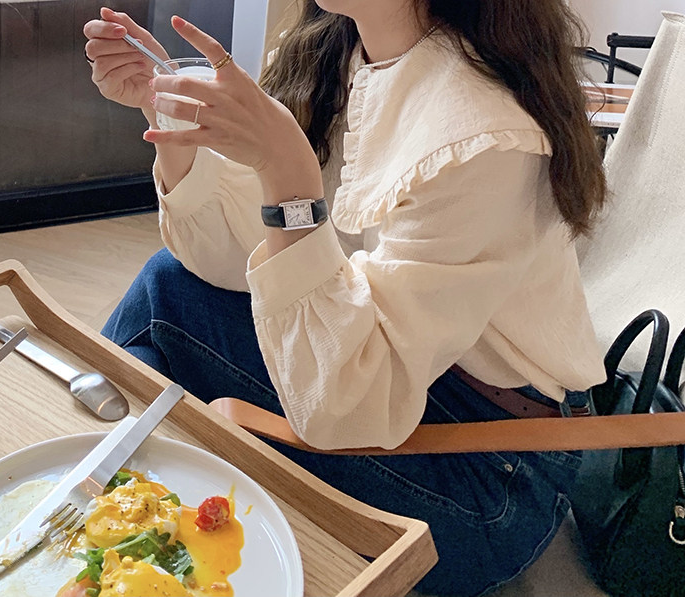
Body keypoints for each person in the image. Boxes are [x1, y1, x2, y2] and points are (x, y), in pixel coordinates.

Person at [83, 1, 606, 594]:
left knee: (161, 339)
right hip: (400, 377)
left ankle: (100, 511)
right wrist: (170, 113)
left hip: (488, 465)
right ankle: (108, 507)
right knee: (168, 292)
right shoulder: (337, 53)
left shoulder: (482, 134)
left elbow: (343, 408)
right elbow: (243, 262)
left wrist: (287, 175)